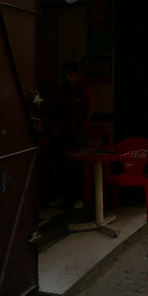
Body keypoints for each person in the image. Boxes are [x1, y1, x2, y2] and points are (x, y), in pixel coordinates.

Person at [50, 61, 94, 208]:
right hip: (64, 133)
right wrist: (57, 127)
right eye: (65, 74)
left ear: (76, 75)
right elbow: (60, 112)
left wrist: (81, 130)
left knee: (77, 167)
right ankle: (61, 196)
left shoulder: (83, 89)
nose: (67, 77)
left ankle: (78, 198)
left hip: (79, 134)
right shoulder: (63, 91)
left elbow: (89, 111)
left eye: (70, 74)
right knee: (59, 164)